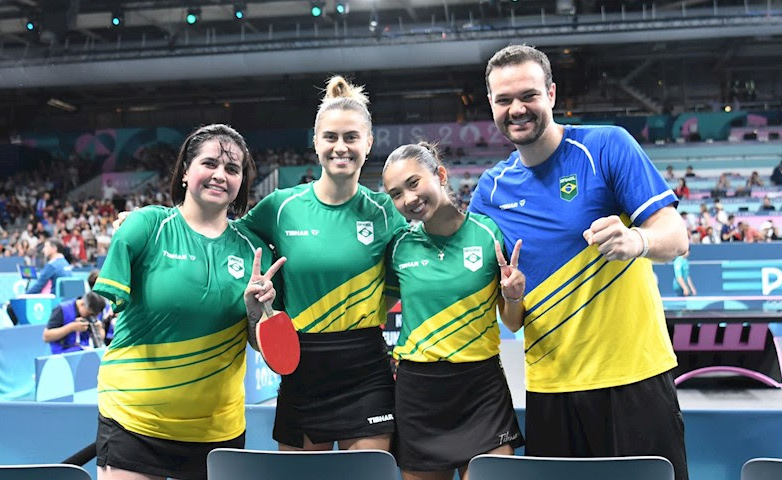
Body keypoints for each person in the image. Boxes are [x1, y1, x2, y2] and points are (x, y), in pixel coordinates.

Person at [469, 45, 689, 480]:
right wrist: (510, 297)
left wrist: (636, 240)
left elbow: (677, 236)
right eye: (503, 100)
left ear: (551, 94)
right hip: (552, 388)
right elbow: (510, 319)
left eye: (529, 95)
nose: (517, 109)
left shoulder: (604, 145)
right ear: (491, 105)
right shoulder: (490, 191)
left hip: (634, 378)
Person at [93, 124, 285, 480]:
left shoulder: (253, 249)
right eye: (209, 163)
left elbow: (262, 347)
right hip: (135, 419)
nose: (219, 175)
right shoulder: (147, 226)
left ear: (242, 181)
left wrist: (256, 312)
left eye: (232, 169)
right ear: (185, 171)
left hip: (216, 430)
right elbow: (105, 304)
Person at [234, 76, 408, 452]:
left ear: (369, 144)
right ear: (315, 143)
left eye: (351, 137)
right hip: (301, 366)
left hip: (366, 369)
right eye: (330, 137)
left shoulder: (385, 212)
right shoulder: (281, 207)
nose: (340, 147)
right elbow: (223, 235)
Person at [383, 142, 524, 480]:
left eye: (414, 183)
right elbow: (373, 311)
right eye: (396, 194)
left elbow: (512, 322)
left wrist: (515, 296)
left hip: (482, 388)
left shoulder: (489, 233)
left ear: (441, 175)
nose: (409, 199)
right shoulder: (400, 246)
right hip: (419, 393)